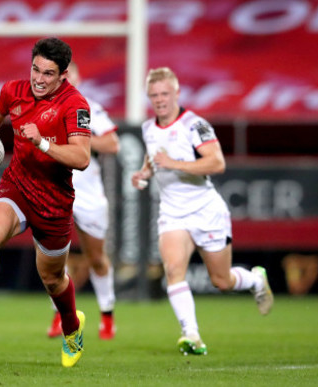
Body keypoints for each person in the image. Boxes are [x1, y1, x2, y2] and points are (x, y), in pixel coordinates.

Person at [0, 37, 91, 368]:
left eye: (48, 74)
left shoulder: (75, 105)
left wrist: (43, 144)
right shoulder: (14, 90)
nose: (38, 79)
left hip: (54, 201)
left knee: (52, 279)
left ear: (63, 74)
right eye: (35, 69)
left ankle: (71, 328)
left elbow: (82, 157)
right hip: (17, 185)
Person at [131, 67, 273, 355]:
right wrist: (145, 172)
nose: (160, 100)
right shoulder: (148, 128)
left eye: (165, 94)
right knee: (173, 270)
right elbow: (155, 155)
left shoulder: (194, 125)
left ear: (177, 93)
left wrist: (175, 164)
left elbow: (217, 162)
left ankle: (256, 279)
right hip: (172, 213)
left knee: (221, 281)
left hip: (205, 210)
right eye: (154, 95)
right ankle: (192, 335)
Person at [47, 62, 119, 340]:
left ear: (77, 77)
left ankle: (107, 316)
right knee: (53, 259)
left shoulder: (88, 107)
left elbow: (113, 144)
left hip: (87, 194)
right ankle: (59, 317)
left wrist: (79, 139)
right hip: (54, 190)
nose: (65, 80)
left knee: (97, 257)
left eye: (69, 75)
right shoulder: (43, 106)